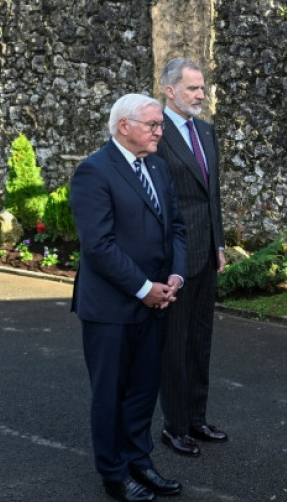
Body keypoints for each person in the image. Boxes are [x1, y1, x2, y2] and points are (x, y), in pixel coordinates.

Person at [70, 93, 187, 502]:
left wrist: (175, 276)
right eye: (153, 125)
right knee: (110, 394)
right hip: (111, 309)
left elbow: (176, 227)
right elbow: (98, 246)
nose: (160, 132)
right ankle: (114, 474)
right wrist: (143, 289)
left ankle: (139, 462)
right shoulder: (94, 171)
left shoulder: (157, 166)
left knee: (142, 392)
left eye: (160, 125)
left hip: (157, 302)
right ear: (124, 126)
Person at [154, 57, 229, 457]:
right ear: (170, 91)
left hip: (207, 256)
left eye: (202, 88)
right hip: (177, 258)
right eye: (192, 88)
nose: (201, 95)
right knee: (175, 346)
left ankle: (197, 419)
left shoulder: (205, 131)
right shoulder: (156, 133)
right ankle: (175, 426)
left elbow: (211, 194)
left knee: (201, 343)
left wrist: (219, 243)